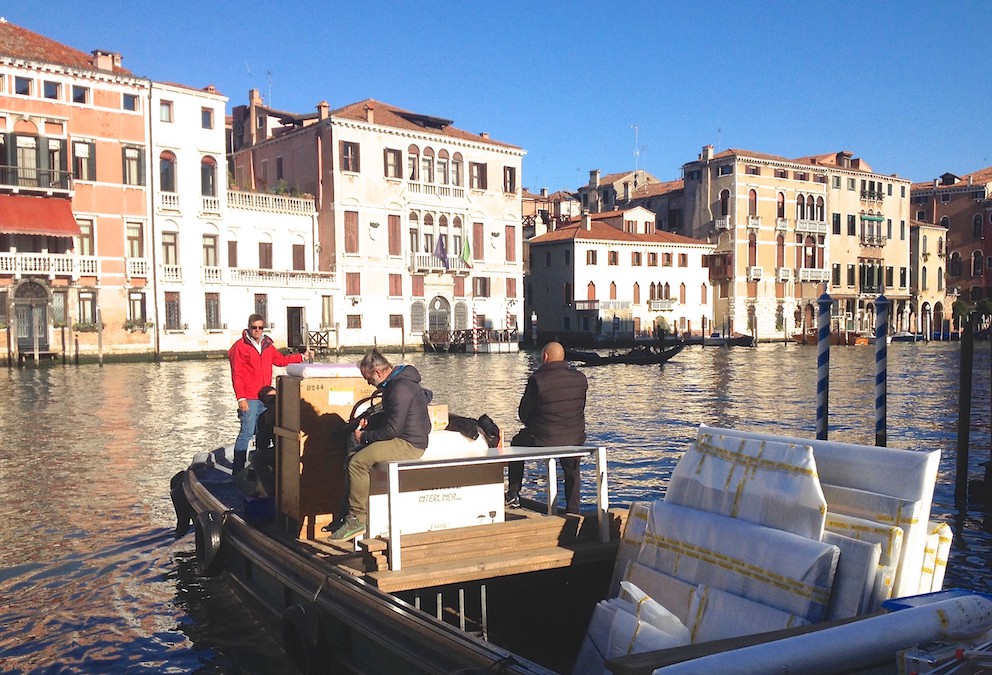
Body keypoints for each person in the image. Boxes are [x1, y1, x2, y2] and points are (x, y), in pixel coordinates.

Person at [328, 349, 432, 541]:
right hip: (404, 437)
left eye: (368, 378)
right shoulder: (397, 383)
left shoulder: (399, 389)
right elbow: (392, 418)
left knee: (357, 462)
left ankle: (357, 519)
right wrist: (372, 423)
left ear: (378, 372)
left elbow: (392, 430)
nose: (368, 383)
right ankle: (345, 515)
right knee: (350, 458)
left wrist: (365, 436)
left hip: (409, 443)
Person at [505, 341, 588, 513]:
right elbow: (580, 408)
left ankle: (513, 492)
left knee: (516, 443)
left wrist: (535, 425)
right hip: (574, 437)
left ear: (545, 357)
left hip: (544, 437)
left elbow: (523, 414)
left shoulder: (537, 380)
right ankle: (573, 509)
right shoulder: (580, 379)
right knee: (572, 468)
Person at [229, 314, 311, 475]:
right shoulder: (239, 347)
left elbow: (279, 360)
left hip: (265, 397)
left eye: (260, 327)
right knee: (247, 431)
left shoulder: (267, 345)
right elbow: (237, 374)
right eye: (254, 327)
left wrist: (301, 357)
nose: (257, 330)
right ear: (249, 327)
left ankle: (257, 466)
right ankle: (237, 470)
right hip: (250, 396)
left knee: (263, 431)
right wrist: (241, 398)